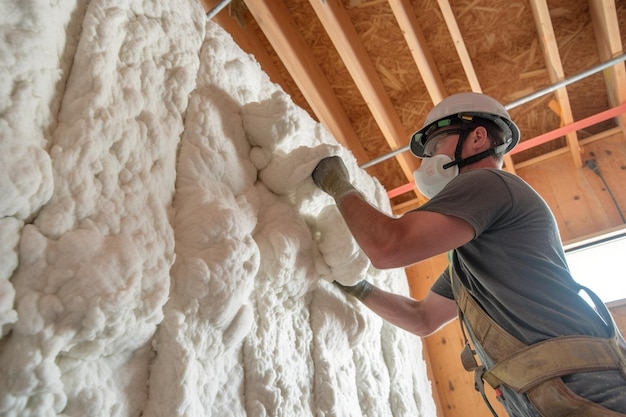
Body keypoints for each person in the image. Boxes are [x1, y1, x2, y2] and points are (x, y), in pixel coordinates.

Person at [311, 92, 626, 417]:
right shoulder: (475, 263)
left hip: (585, 388)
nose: (429, 160)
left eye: (435, 147)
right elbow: (423, 318)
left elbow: (389, 247)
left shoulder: (489, 182)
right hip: (560, 393)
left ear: (477, 137)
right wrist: (354, 284)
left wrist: (339, 186)